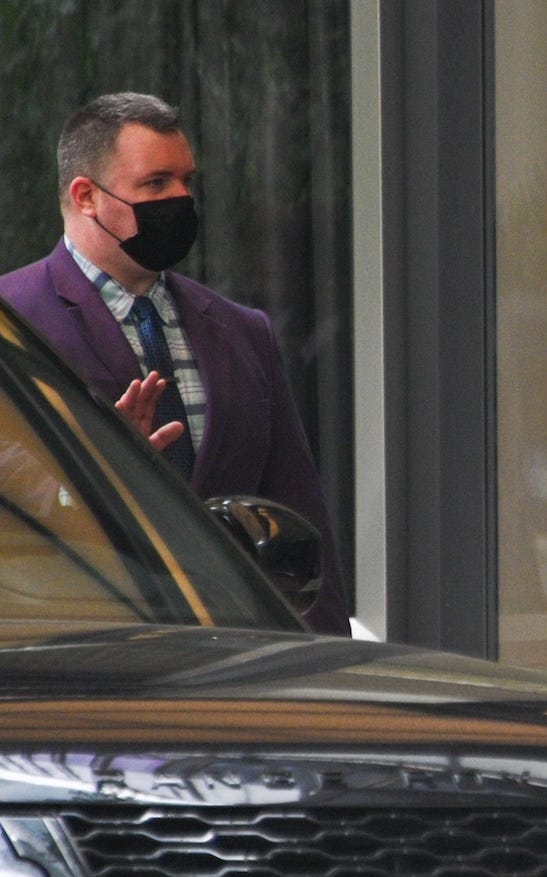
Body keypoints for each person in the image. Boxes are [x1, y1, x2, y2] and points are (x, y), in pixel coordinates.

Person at [0, 91, 349, 634]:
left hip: (237, 654)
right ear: (87, 196)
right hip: (77, 660)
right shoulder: (14, 323)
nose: (181, 198)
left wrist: (329, 666)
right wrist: (96, 469)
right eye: (157, 183)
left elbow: (295, 503)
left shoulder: (242, 331)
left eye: (188, 181)